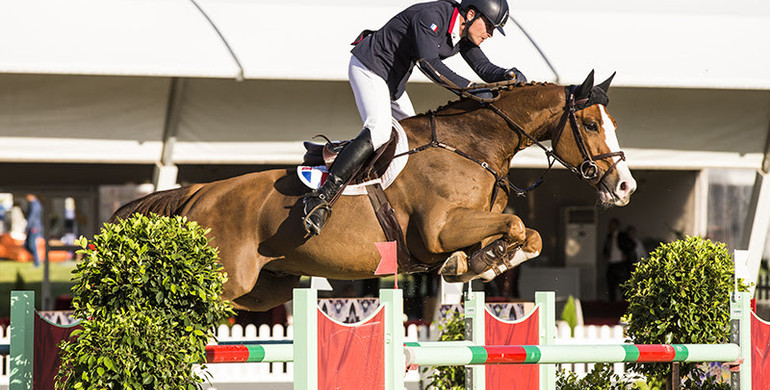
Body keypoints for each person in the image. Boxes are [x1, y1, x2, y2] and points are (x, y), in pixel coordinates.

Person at [302, 0, 527, 235]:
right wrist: (471, 90)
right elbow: (431, 66)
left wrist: (508, 75)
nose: (490, 34)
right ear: (471, 14)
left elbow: (483, 67)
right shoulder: (432, 16)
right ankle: (321, 197)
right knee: (378, 131)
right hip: (368, 68)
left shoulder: (461, 31)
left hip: (392, 82)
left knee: (416, 141)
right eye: (489, 26)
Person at [603, 218, 633, 301]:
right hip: (611, 262)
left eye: (613, 224)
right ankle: (612, 304)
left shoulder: (622, 235)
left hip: (620, 263)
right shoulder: (609, 236)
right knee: (611, 285)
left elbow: (631, 244)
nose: (611, 226)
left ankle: (624, 303)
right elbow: (606, 248)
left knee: (623, 285)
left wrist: (626, 254)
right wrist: (606, 255)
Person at [23, 194, 44, 267]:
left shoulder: (35, 204)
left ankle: (37, 261)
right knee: (26, 245)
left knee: (31, 245)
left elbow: (32, 217)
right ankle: (37, 259)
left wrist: (26, 228)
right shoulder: (33, 204)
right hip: (33, 226)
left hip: (34, 227)